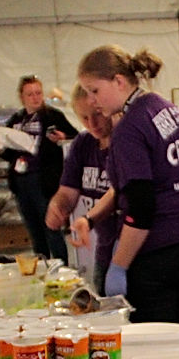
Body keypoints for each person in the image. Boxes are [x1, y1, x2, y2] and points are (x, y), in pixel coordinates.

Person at [77, 46, 179, 329]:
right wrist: (91, 219)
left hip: (161, 252)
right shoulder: (167, 109)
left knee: (156, 346)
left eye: (94, 91)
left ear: (119, 81)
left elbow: (141, 209)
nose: (91, 102)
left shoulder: (130, 128)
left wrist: (119, 265)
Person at [45, 84, 119, 295]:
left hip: (133, 246)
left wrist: (89, 219)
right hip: (104, 246)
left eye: (97, 115)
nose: (92, 124)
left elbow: (120, 191)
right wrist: (58, 206)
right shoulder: (83, 143)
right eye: (84, 118)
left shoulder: (125, 142)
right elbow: (68, 191)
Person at [0, 75, 78, 262]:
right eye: (30, 94)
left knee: (51, 226)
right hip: (21, 179)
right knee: (33, 228)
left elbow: (74, 136)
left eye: (38, 93)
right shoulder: (16, 120)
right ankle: (41, 263)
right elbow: (8, 153)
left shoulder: (52, 115)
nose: (35, 98)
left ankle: (61, 265)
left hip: (44, 180)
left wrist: (61, 137)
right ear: (22, 97)